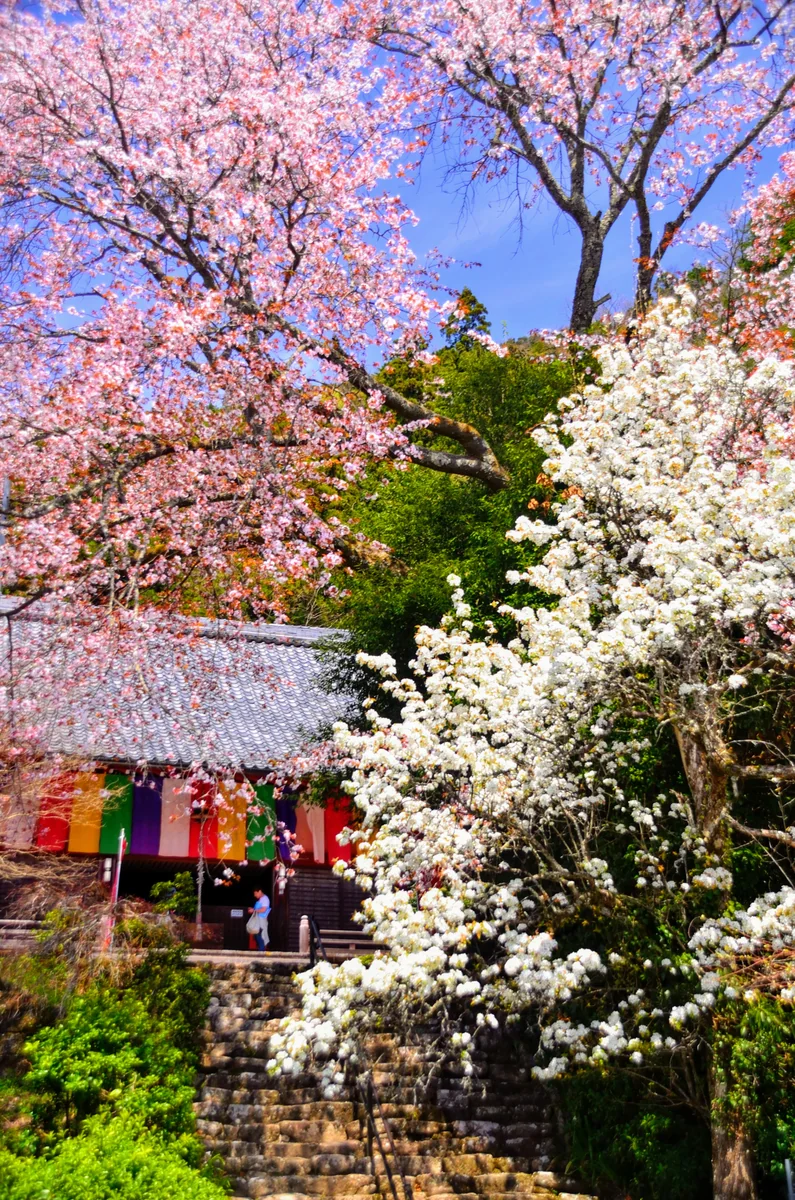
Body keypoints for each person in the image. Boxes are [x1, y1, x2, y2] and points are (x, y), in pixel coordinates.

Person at [248, 887, 270, 952]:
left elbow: (263, 909)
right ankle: (260, 950)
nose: (255, 895)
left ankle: (261, 951)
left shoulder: (265, 899)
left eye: (255, 893)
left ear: (260, 891)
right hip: (258, 920)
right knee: (256, 936)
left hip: (261, 920)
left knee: (260, 936)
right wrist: (252, 909)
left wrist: (253, 910)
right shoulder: (261, 899)